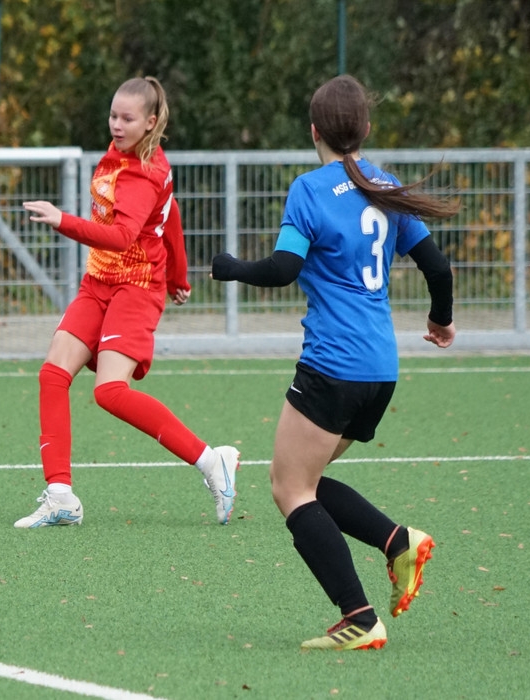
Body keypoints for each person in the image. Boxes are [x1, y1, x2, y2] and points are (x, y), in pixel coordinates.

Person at [211, 75, 458, 650]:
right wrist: (440, 320)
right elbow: (438, 268)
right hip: (380, 369)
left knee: (288, 487)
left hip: (333, 365)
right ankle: (397, 541)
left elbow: (284, 269)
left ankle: (360, 619)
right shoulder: (384, 184)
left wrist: (231, 267)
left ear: (314, 131)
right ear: (365, 129)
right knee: (308, 480)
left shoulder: (310, 189)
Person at [15, 76, 240, 529]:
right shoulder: (124, 153)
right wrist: (180, 274)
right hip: (98, 282)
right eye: (113, 115)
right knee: (53, 374)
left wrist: (62, 220)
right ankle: (60, 496)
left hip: (136, 287)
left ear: (151, 122)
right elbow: (170, 213)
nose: (116, 125)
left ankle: (210, 460)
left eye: (127, 118)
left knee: (109, 391)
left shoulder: (143, 172)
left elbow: (121, 236)